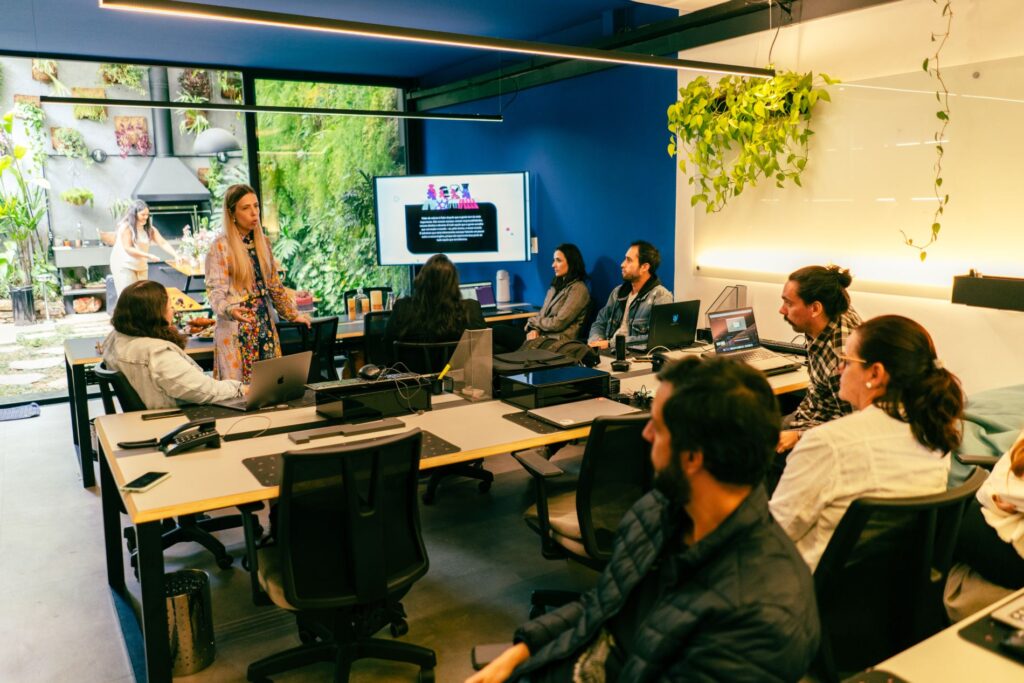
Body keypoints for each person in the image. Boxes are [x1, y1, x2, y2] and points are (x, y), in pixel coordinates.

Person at [469, 357, 820, 683]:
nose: (645, 434)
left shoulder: (759, 619)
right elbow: (604, 603)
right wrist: (519, 653)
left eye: (658, 426)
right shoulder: (659, 511)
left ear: (693, 458)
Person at [770, 315, 964, 571]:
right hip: (888, 585)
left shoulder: (827, 443)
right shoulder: (935, 435)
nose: (838, 369)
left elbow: (773, 534)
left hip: (807, 585)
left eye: (846, 360)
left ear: (875, 373)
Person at [205, 184, 310, 383]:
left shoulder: (263, 243)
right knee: (240, 391)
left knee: (269, 386)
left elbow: (274, 286)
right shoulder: (220, 246)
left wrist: (292, 314)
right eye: (246, 208)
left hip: (264, 323)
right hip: (236, 327)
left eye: (256, 206)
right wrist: (229, 310)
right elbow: (214, 291)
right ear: (232, 213)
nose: (254, 213)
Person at [101, 280, 245, 409]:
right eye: (170, 307)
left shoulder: (115, 339)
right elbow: (204, 390)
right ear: (154, 314)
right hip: (175, 419)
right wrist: (241, 389)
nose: (173, 311)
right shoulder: (157, 354)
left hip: (146, 418)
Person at [776, 265, 863, 453]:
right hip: (809, 413)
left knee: (752, 446)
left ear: (815, 308)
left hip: (822, 434)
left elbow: (854, 426)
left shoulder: (840, 359)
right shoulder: (833, 310)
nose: (781, 310)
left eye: (789, 304)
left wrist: (799, 435)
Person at [952, 430, 1024, 591]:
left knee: (944, 520)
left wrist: (1003, 496)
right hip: (1004, 517)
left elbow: (1001, 485)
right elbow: (997, 480)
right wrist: (995, 497)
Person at [383, 253, 487, 359]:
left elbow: (388, 348)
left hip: (411, 370)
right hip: (459, 370)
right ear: (454, 284)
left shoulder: (402, 309)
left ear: (421, 280)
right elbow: (484, 349)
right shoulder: (471, 310)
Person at [587, 240, 672, 350]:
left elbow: (656, 338)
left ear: (644, 267)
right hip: (606, 352)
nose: (622, 264)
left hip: (633, 355)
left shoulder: (661, 296)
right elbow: (599, 323)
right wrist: (595, 341)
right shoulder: (618, 292)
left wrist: (610, 344)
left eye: (629, 260)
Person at [108, 200, 180, 294]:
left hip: (140, 265)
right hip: (123, 265)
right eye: (143, 214)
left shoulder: (150, 229)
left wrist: (176, 255)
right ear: (134, 214)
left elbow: (163, 243)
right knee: (128, 295)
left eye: (147, 215)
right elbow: (128, 248)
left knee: (142, 295)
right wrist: (148, 256)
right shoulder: (126, 227)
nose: (146, 217)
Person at [524, 243, 591, 343]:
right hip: (541, 337)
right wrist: (534, 330)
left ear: (571, 263)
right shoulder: (554, 287)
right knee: (501, 331)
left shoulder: (579, 289)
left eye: (558, 261)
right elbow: (542, 314)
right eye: (554, 260)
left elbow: (558, 323)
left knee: (501, 332)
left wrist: (533, 321)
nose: (553, 265)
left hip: (557, 342)